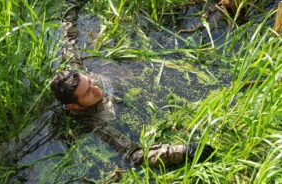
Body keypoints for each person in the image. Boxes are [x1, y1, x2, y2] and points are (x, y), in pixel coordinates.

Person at [50, 69, 214, 167]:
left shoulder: (75, 78)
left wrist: (69, 17)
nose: (96, 88)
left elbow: (70, 44)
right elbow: (135, 155)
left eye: (91, 81)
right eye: (88, 92)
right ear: (74, 106)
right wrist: (182, 151)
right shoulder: (96, 125)